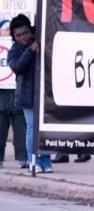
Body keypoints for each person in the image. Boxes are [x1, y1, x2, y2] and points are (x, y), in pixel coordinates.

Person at [7, 14, 52, 173]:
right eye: (19, 35)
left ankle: (46, 161)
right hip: (27, 96)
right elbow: (18, 67)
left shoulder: (39, 41)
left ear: (30, 31)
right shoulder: (14, 51)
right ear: (14, 37)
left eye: (25, 33)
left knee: (45, 129)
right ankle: (34, 160)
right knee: (32, 128)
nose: (23, 37)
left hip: (44, 93)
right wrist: (30, 51)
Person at [0, 20, 27, 168]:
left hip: (16, 92)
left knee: (20, 128)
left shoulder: (19, 47)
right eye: (4, 29)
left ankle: (23, 158)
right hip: (1, 96)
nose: (6, 33)